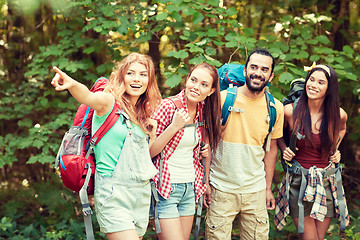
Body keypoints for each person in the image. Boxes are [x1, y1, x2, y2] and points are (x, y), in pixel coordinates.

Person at [51, 53, 162, 240]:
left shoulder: (141, 115)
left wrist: (151, 135)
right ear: (122, 77)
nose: (137, 79)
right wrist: (71, 83)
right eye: (131, 73)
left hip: (140, 195)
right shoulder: (108, 103)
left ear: (149, 80)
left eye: (143, 74)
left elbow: (142, 159)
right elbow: (87, 96)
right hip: (114, 195)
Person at [205, 49, 284, 240]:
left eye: (264, 69)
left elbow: (272, 151)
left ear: (271, 75)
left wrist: (267, 189)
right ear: (245, 70)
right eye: (254, 67)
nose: (258, 72)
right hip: (220, 188)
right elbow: (206, 142)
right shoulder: (222, 99)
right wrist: (205, 182)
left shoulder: (276, 108)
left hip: (255, 191)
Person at [275, 63, 350, 239]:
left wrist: (334, 148)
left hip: (327, 182)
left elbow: (342, 129)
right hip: (299, 182)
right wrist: (284, 148)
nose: (313, 85)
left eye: (321, 82)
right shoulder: (290, 111)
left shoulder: (338, 115)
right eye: (311, 79)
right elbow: (276, 134)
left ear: (329, 89)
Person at [149, 63, 222, 240]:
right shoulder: (168, 107)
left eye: (204, 84)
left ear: (211, 91)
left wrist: (204, 184)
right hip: (166, 188)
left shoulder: (203, 112)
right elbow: (149, 152)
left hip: (190, 188)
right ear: (187, 79)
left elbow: (203, 152)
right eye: (193, 80)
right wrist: (174, 126)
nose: (196, 87)